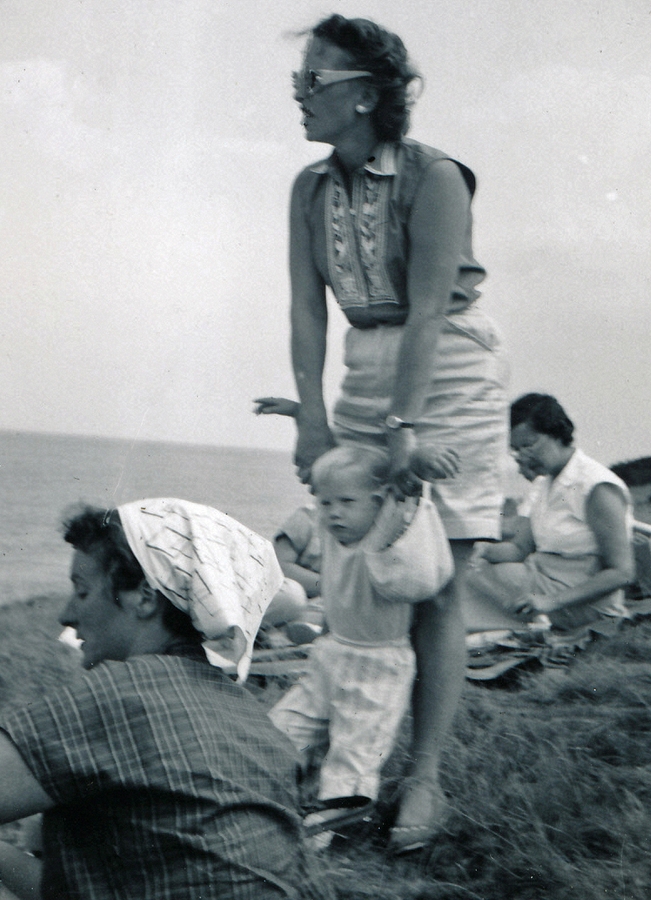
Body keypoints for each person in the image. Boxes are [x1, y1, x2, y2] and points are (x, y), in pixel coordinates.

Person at [285, 14, 508, 850]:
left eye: (315, 80)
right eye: (298, 82)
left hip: (445, 363)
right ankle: (351, 763)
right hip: (362, 360)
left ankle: (424, 778)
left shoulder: (436, 177)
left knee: (437, 576)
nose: (300, 97)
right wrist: (311, 415)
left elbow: (425, 312)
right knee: (364, 574)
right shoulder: (309, 188)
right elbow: (308, 309)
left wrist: (407, 426)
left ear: (367, 94)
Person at [0, 499, 335, 900]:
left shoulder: (122, 694)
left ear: (144, 596)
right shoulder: (252, 719)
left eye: (83, 591)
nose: (66, 614)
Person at [269, 446, 453, 851]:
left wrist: (417, 467)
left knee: (356, 749)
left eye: (346, 503)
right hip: (332, 654)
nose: (334, 513)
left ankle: (330, 825)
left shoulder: (385, 530)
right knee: (281, 728)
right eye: (326, 503)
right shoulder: (333, 533)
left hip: (377, 665)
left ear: (377, 502)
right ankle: (275, 793)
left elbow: (405, 496)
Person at [466, 394, 635, 630]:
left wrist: (550, 602)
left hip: (579, 599)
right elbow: (519, 549)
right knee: (464, 571)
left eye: (529, 444)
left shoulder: (596, 486)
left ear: (556, 433)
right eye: (516, 450)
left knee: (464, 594)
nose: (523, 457)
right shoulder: (544, 483)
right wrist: (482, 549)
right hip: (540, 578)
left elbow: (621, 572)